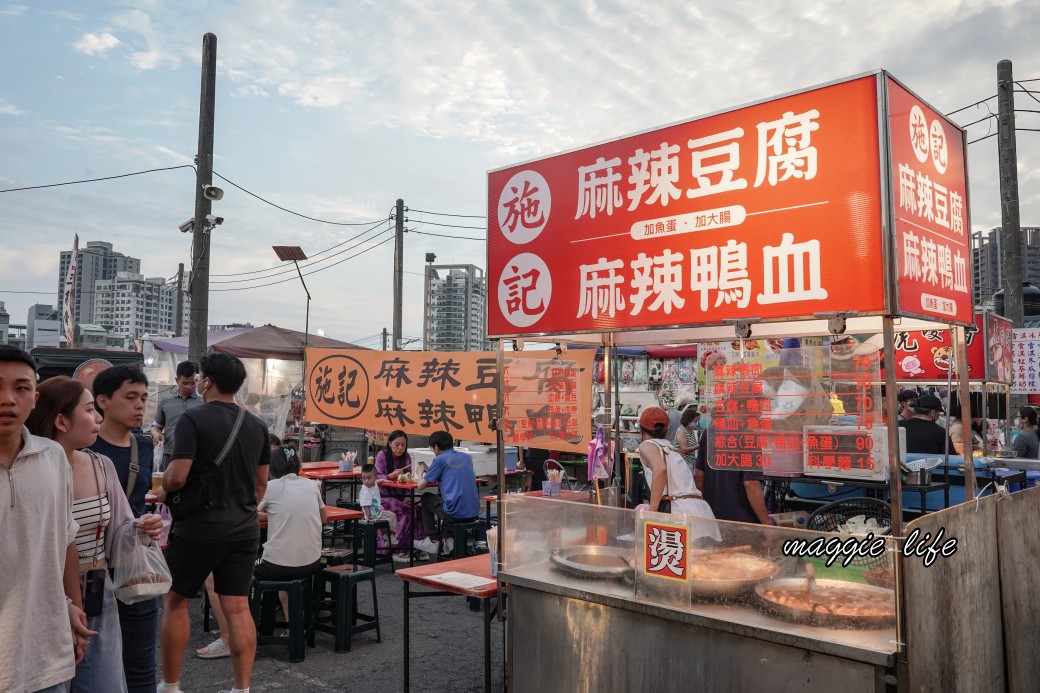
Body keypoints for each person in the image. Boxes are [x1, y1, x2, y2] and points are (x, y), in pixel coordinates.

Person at [26, 376, 164, 692]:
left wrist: (142, 529)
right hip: (44, 599)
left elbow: (120, 534)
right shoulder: (27, 471)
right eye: (89, 410)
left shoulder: (100, 465)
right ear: (61, 420)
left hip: (97, 596)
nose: (98, 419)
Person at [159, 353, 270, 693]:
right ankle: (241, 688)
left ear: (207, 381)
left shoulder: (193, 420)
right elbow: (261, 484)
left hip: (200, 528)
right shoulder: (257, 425)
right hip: (244, 527)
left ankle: (171, 685)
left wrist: (163, 484)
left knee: (176, 601)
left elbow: (177, 477)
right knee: (237, 606)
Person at [0, 345, 96, 693]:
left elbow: (65, 537)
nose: (8, 399)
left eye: (21, 388)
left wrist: (70, 605)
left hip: (45, 649)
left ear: (35, 398)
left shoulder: (53, 456)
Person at [90, 364, 158, 693]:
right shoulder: (81, 446)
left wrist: (149, 523)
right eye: (131, 397)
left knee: (141, 663)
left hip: (134, 564)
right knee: (92, 662)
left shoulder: (143, 445)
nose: (140, 404)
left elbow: (137, 503)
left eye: (144, 397)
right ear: (102, 400)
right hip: (90, 568)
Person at [636, 407, 721, 542]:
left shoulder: (647, 445)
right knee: (703, 561)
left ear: (641, 431)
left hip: (679, 514)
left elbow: (660, 469)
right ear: (667, 430)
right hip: (701, 512)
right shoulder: (671, 449)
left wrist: (652, 510)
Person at [415, 430, 480, 557]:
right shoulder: (466, 457)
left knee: (426, 498)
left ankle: (432, 539)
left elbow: (420, 486)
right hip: (474, 511)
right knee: (445, 501)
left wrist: (420, 473)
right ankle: (450, 543)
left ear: (436, 447)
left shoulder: (439, 460)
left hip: (454, 513)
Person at [694, 427, 771, 525]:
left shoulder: (709, 432)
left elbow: (698, 476)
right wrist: (766, 522)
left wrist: (703, 510)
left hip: (712, 518)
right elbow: (751, 484)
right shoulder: (749, 436)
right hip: (742, 522)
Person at [374, 430, 427, 562]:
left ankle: (416, 547)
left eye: (403, 445)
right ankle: (398, 548)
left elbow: (408, 479)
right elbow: (376, 477)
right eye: (397, 444)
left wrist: (408, 496)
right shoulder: (382, 455)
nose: (400, 448)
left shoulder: (407, 457)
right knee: (406, 511)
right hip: (383, 498)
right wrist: (389, 476)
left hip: (401, 495)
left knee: (419, 509)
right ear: (390, 443)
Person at [149, 361, 202, 471]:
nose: (189, 387)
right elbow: (155, 426)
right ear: (177, 380)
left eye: (193, 383)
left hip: (196, 457)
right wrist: (156, 434)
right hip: (169, 455)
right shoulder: (166, 402)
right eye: (185, 383)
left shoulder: (203, 403)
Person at [360, 463, 398, 532]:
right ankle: (390, 535)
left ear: (375, 477)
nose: (366, 481)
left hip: (377, 512)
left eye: (369, 478)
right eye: (364, 478)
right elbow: (366, 506)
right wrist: (368, 518)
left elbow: (375, 483)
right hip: (373, 515)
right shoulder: (366, 491)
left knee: (389, 517)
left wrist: (382, 480)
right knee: (392, 516)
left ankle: (386, 534)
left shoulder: (373, 484)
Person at [672, 406, 700, 473]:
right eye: (695, 421)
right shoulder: (681, 431)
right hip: (684, 463)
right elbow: (684, 449)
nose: (696, 423)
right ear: (689, 420)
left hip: (691, 462)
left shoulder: (690, 430)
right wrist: (698, 446)